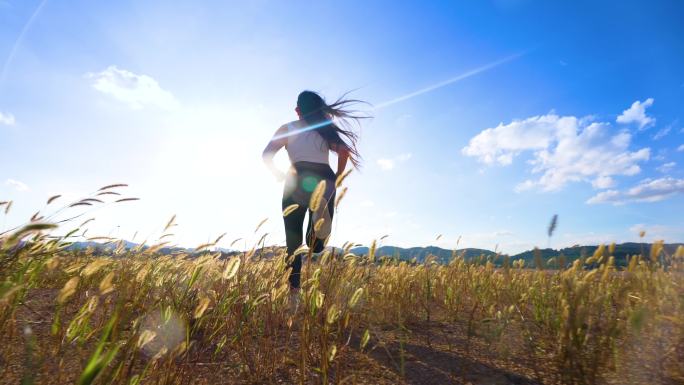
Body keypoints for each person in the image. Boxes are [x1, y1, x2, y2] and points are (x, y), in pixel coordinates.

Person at [262, 90, 366, 289]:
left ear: (297, 110)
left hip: (296, 179)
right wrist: (337, 176)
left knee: (293, 243)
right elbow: (344, 151)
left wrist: (277, 173)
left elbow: (266, 155)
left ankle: (294, 292)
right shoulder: (324, 129)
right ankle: (315, 230)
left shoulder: (288, 128)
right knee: (316, 244)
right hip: (324, 180)